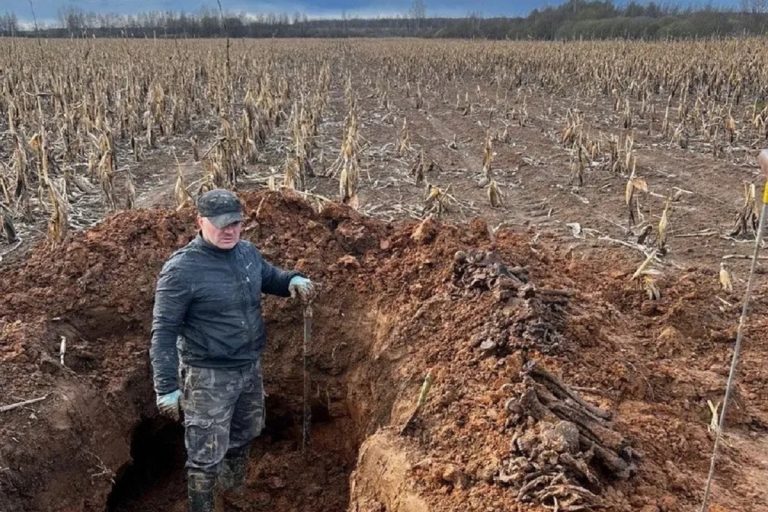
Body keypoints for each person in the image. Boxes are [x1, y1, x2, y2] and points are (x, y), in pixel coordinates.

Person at [149, 189, 314, 512]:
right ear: (200, 222)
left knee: (245, 431)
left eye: (236, 223)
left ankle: (232, 490)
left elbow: (268, 277)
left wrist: (291, 280)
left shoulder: (246, 254)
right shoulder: (181, 271)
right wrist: (166, 387)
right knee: (205, 452)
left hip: (248, 368)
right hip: (207, 376)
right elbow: (164, 331)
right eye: (222, 224)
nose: (230, 231)